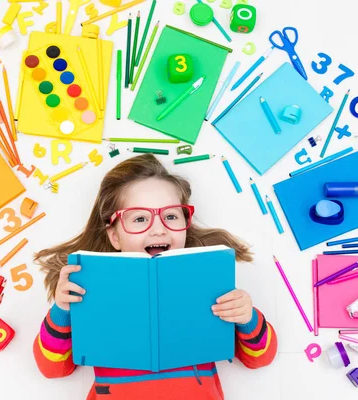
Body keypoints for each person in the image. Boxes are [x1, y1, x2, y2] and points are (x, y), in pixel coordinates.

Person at [33, 154, 277, 399]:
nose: (159, 228)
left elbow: (261, 357)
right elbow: (53, 368)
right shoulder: (90, 289)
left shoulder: (208, 284)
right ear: (114, 236)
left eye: (171, 216)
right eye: (140, 218)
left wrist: (247, 317)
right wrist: (62, 309)